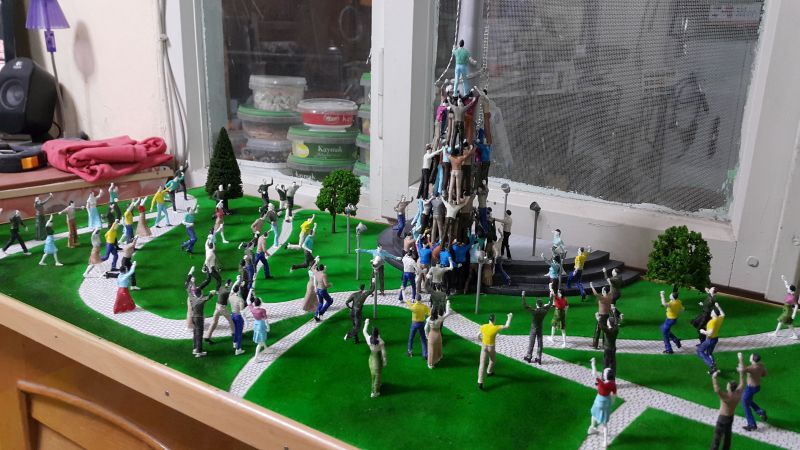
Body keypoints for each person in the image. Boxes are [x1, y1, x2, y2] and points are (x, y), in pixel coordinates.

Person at [709, 357, 745, 450]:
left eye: (728, 385)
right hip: (730, 417)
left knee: (717, 438)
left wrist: (714, 378)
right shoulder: (738, 393)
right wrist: (740, 360)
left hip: (722, 418)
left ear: (729, 388)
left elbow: (717, 390)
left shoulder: (726, 397)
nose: (727, 386)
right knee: (727, 437)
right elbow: (742, 379)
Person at [477, 312, 512, 390]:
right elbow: (507, 326)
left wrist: (481, 340)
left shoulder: (483, 326)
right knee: (492, 360)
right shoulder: (496, 328)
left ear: (489, 319)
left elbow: (478, 335)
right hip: (491, 347)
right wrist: (509, 317)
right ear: (494, 320)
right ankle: (489, 371)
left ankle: (480, 381)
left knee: (482, 364)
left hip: (484, 346)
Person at [587, 357, 617, 448]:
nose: (603, 373)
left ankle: (592, 428)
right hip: (606, 402)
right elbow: (614, 394)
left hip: (599, 401)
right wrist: (612, 402)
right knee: (604, 423)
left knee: (593, 414)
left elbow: (594, 373)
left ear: (605, 376)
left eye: (604, 373)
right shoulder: (613, 384)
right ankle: (605, 441)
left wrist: (593, 364)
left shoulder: (601, 383)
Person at [740, 352, 768, 432]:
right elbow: (764, 374)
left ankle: (752, 425)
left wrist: (740, 358)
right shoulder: (761, 365)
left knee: (745, 404)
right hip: (757, 387)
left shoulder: (752, 368)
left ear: (752, 359)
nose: (750, 356)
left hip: (750, 388)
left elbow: (742, 369)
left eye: (751, 356)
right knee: (748, 400)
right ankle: (760, 412)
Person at [522, 291, 552, 364]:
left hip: (533, 328)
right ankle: (539, 358)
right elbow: (550, 303)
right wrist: (551, 296)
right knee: (540, 342)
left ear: (536, 304)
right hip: (540, 327)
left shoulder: (534, 311)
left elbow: (525, 306)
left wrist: (523, 296)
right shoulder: (545, 310)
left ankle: (529, 356)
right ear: (542, 304)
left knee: (531, 342)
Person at [697, 303, 726, 375]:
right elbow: (723, 314)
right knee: (709, 353)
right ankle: (714, 369)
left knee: (699, 351)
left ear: (714, 314)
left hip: (709, 340)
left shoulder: (711, 322)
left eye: (712, 312)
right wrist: (718, 306)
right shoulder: (719, 319)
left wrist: (703, 331)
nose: (711, 312)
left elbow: (710, 333)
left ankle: (712, 365)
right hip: (715, 339)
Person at [205, 279, 234, 345]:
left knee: (214, 322)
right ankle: (234, 334)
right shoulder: (228, 291)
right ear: (229, 284)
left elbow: (216, 292)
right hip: (222, 308)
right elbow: (230, 299)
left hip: (217, 306)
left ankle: (207, 336)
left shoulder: (221, 288)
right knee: (231, 321)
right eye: (231, 283)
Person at [189, 286, 216, 357]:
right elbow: (207, 298)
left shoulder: (192, 298)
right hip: (199, 318)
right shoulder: (200, 300)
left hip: (193, 317)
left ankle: (195, 348)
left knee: (195, 333)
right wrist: (212, 293)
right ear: (200, 293)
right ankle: (199, 352)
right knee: (199, 335)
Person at [363, 318, 387, 398]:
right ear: (378, 334)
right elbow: (383, 352)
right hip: (377, 359)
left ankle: (377, 386)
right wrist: (384, 361)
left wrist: (366, 323)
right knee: (377, 375)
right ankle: (374, 392)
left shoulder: (368, 339)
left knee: (373, 374)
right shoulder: (381, 342)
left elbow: (364, 331)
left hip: (371, 358)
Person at [425, 300, 453, 368]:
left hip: (431, 335)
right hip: (438, 335)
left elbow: (425, 328)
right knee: (438, 347)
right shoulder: (440, 318)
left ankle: (430, 364)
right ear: (437, 312)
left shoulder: (429, 319)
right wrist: (448, 304)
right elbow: (448, 313)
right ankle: (438, 358)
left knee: (431, 349)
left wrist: (427, 336)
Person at [590, 282, 615, 349]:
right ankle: (605, 344)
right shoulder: (610, 296)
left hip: (601, 316)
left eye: (603, 290)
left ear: (605, 292)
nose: (602, 292)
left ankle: (595, 345)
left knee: (597, 331)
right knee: (605, 331)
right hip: (607, 316)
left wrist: (591, 286)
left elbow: (595, 294)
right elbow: (611, 289)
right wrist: (610, 283)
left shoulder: (603, 298)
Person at [249, 293, 270, 360]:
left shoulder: (252, 309)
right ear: (260, 303)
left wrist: (250, 292)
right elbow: (266, 320)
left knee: (261, 338)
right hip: (261, 325)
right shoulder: (262, 310)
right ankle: (256, 358)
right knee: (260, 342)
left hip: (256, 324)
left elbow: (248, 301)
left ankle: (266, 349)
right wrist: (268, 327)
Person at [230, 277, 247, 355]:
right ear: (239, 290)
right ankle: (238, 349)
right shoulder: (240, 300)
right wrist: (246, 321)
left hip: (232, 315)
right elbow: (242, 311)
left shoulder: (230, 296)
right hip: (238, 317)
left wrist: (237, 281)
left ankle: (235, 342)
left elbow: (232, 289)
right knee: (239, 332)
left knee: (235, 330)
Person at [549, 284, 569, 348]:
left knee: (553, 325)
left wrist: (550, 286)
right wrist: (565, 313)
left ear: (560, 293)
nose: (557, 292)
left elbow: (551, 292)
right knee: (563, 328)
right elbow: (567, 306)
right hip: (563, 313)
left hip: (557, 313)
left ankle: (552, 338)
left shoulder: (556, 298)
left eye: (558, 292)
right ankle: (564, 343)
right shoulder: (565, 299)